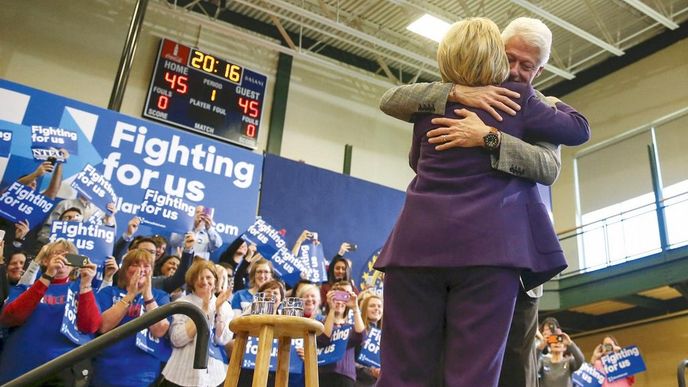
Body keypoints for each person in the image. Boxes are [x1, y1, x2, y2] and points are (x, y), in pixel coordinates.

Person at [374, 17, 590, 387]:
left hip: (416, 247)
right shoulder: (515, 101)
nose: (517, 70)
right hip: (492, 252)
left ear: (541, 69)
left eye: (528, 66)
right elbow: (579, 129)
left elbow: (417, 160)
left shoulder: (432, 106)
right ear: (494, 53)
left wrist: (488, 137)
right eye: (511, 58)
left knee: (403, 370)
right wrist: (455, 92)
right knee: (473, 372)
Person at [0, 240, 101, 385]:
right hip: (19, 369)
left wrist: (86, 284)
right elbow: (10, 317)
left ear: (74, 265)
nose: (63, 259)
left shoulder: (80, 290)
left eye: (69, 257)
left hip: (61, 371)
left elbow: (89, 326)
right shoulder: (25, 287)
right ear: (46, 260)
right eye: (58, 254)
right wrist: (47, 276)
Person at [93, 248, 170, 387]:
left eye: (146, 266)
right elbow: (103, 326)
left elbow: (159, 330)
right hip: (107, 371)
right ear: (125, 270)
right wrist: (130, 295)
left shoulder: (161, 297)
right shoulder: (109, 292)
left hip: (145, 374)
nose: (141, 269)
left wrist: (147, 296)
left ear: (151, 271)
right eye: (135, 264)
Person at [160, 260, 233, 387]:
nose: (204, 281)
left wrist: (218, 309)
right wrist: (204, 310)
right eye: (199, 278)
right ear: (191, 282)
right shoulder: (182, 303)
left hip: (215, 376)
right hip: (180, 374)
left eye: (208, 277)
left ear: (215, 280)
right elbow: (177, 339)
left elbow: (222, 339)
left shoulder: (225, 305)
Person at [318, 281, 366, 387]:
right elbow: (324, 338)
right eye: (335, 298)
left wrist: (355, 307)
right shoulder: (321, 323)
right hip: (324, 374)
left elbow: (361, 336)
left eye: (343, 298)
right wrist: (331, 309)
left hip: (346, 376)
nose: (339, 302)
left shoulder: (351, 327)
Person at [355, 294, 383, 387]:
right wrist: (370, 370)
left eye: (379, 306)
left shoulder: (385, 335)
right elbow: (350, 359)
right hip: (358, 381)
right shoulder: (357, 331)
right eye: (372, 306)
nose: (376, 308)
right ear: (364, 309)